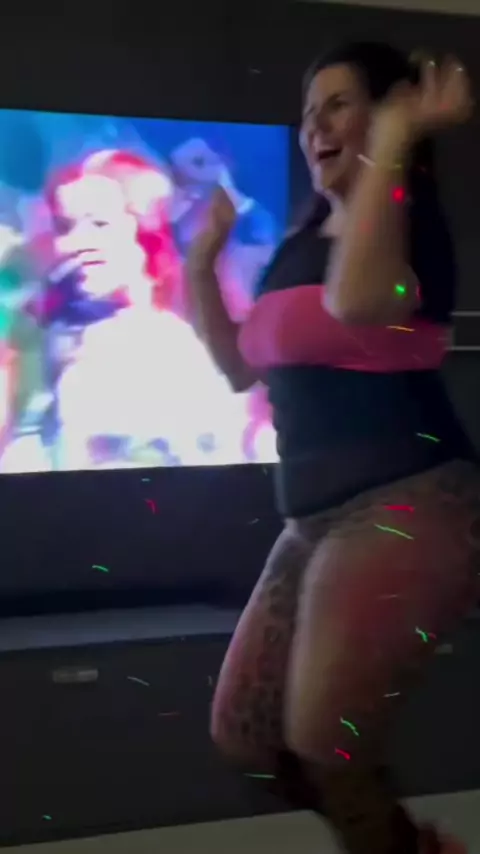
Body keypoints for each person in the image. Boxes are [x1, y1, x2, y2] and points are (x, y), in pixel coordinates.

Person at [186, 42, 478, 854]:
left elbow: (356, 301)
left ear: (383, 116)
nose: (316, 125)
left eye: (339, 105)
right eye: (309, 112)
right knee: (247, 738)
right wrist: (203, 261)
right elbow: (238, 367)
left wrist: (397, 139)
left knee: (325, 743)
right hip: (312, 520)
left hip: (409, 500)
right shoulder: (301, 243)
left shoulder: (405, 228)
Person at [33, 149, 242, 469]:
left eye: (100, 224)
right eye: (64, 227)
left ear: (146, 234)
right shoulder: (51, 343)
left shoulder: (170, 347)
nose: (76, 244)